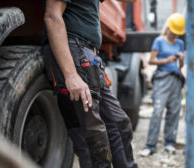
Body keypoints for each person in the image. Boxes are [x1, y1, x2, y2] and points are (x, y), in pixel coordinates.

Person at [42, 0, 137, 168]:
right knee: (92, 136)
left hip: (87, 56)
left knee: (119, 124)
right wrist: (71, 75)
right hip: (74, 52)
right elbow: (52, 16)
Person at [139, 13, 185, 156]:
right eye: (174, 31)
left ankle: (169, 143)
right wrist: (166, 60)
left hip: (176, 79)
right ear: (168, 28)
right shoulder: (159, 41)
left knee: (174, 112)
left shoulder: (180, 44)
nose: (175, 35)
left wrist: (181, 59)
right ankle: (150, 145)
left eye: (178, 33)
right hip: (161, 78)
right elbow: (151, 61)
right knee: (158, 111)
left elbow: (181, 65)